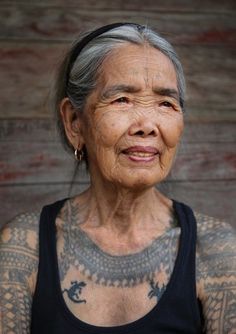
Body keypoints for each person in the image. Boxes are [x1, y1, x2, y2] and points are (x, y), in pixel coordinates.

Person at [0, 22, 235, 334]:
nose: (148, 125)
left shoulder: (216, 248)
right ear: (74, 122)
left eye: (166, 103)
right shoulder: (23, 245)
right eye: (122, 99)